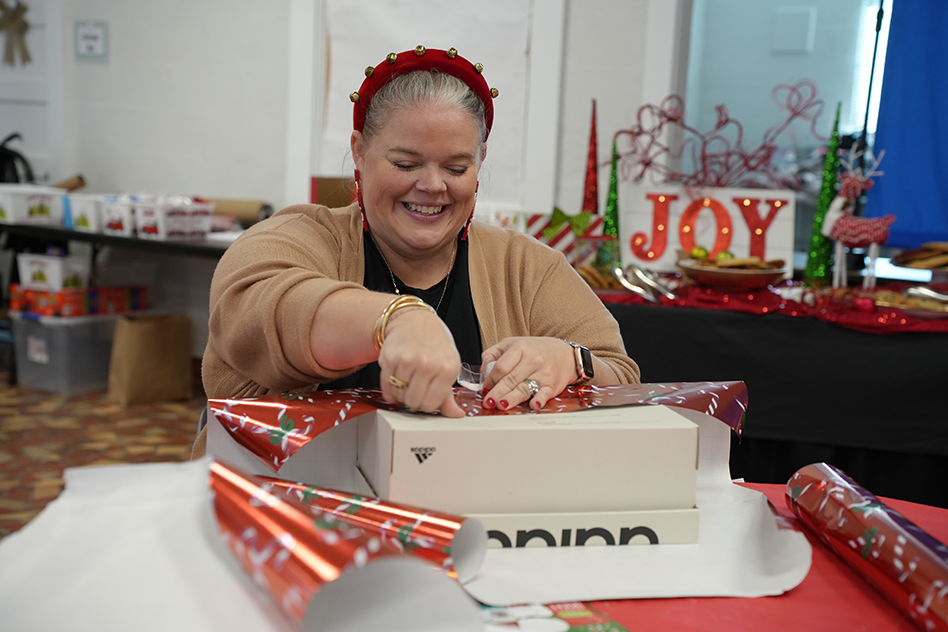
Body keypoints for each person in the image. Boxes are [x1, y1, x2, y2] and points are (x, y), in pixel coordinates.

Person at [192, 46, 639, 457]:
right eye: (405, 164)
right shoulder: (301, 237)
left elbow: (622, 376)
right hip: (288, 506)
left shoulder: (525, 267)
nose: (432, 185)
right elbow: (252, 309)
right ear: (359, 152)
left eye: (456, 167)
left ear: (480, 162)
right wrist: (397, 320)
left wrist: (571, 360)